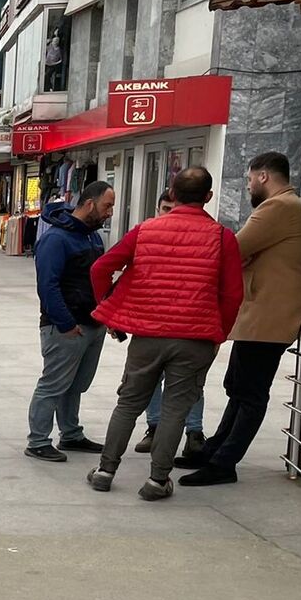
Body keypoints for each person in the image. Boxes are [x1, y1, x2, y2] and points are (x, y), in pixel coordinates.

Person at [86, 167, 244, 500]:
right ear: (209, 197)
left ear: (171, 194)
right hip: (195, 337)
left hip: (148, 336)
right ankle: (158, 481)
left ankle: (105, 470)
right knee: (175, 408)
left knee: (128, 403)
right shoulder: (222, 237)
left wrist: (109, 308)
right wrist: (219, 334)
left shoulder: (145, 231)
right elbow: (232, 295)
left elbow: (101, 268)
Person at [177, 151, 301, 487]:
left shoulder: (278, 207)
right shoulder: (285, 207)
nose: (249, 185)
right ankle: (214, 451)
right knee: (237, 387)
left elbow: (233, 249)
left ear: (264, 176)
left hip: (269, 317)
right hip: (259, 315)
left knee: (250, 393)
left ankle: (224, 462)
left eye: (251, 179)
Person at [24, 180, 115, 462]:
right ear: (89, 204)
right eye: (107, 206)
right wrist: (65, 322)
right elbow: (47, 286)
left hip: (92, 323)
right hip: (66, 327)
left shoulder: (92, 237)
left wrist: (107, 316)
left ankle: (71, 433)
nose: (110, 212)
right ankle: (38, 440)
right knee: (53, 384)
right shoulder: (56, 239)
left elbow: (99, 280)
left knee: (76, 384)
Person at [137, 191, 208, 457]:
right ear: (157, 210)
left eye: (172, 208)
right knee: (150, 381)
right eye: (165, 209)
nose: (169, 214)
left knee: (190, 384)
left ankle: (194, 432)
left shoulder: (202, 237)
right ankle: (154, 427)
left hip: (191, 324)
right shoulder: (147, 236)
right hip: (153, 324)